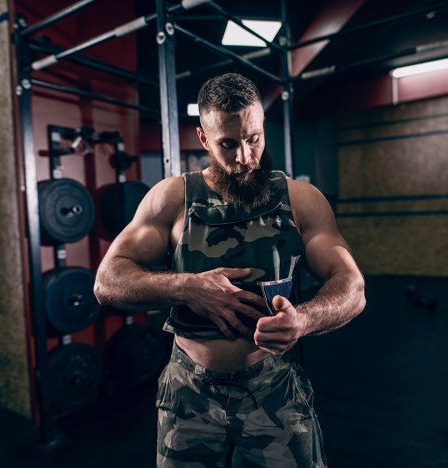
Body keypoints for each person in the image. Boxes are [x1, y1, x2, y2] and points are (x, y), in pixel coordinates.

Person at [94, 72, 366, 467]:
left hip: (273, 387)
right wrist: (186, 287)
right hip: (188, 390)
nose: (243, 157)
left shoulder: (301, 200)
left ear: (262, 127)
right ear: (204, 139)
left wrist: (303, 321)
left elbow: (352, 285)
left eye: (253, 139)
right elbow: (107, 281)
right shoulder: (172, 198)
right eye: (228, 144)